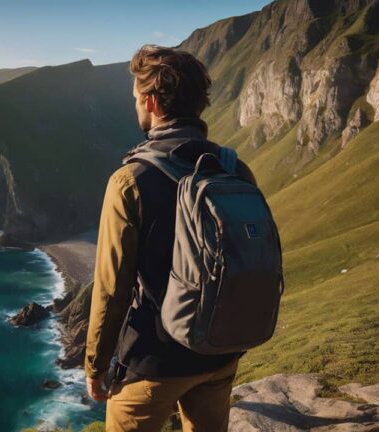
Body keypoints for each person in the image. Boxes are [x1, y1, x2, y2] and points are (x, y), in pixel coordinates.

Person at [84, 45, 258, 431]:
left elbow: (112, 288)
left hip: (154, 361)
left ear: (151, 102)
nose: (136, 107)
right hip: (220, 353)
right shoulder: (234, 169)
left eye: (136, 99)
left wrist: (95, 365)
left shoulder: (129, 180)